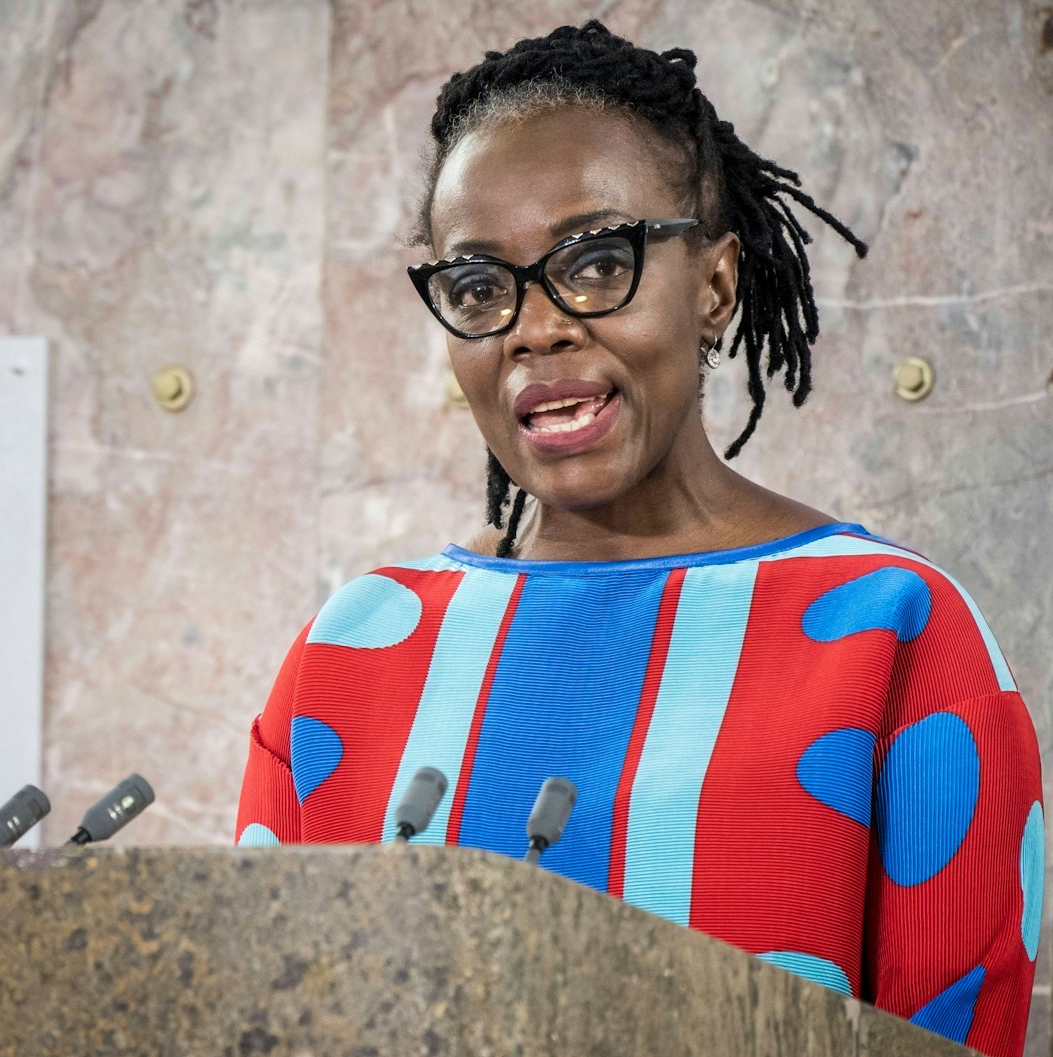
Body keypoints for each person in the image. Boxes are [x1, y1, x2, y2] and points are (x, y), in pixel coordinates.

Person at [231, 21, 1042, 1057]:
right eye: (478, 286)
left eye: (593, 260)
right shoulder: (348, 651)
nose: (535, 328)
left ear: (711, 286)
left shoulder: (896, 630)